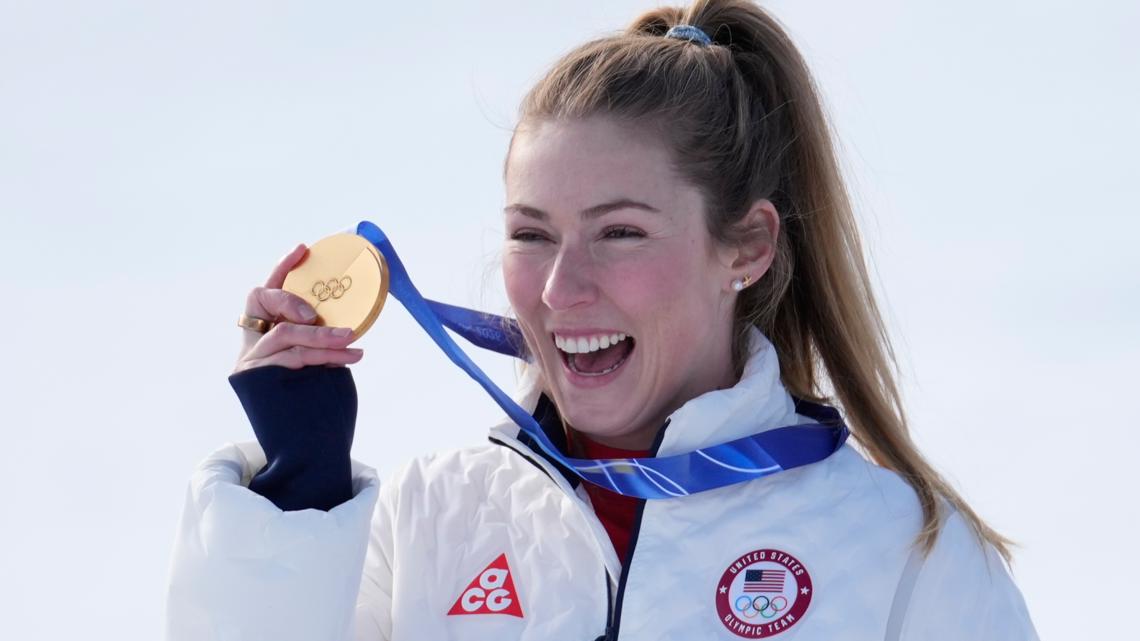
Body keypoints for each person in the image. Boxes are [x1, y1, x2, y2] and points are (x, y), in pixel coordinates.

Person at [164, 1, 1039, 639]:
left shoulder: (900, 550)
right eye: (530, 234)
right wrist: (294, 490)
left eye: (619, 233)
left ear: (748, 247)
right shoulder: (434, 518)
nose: (558, 287)